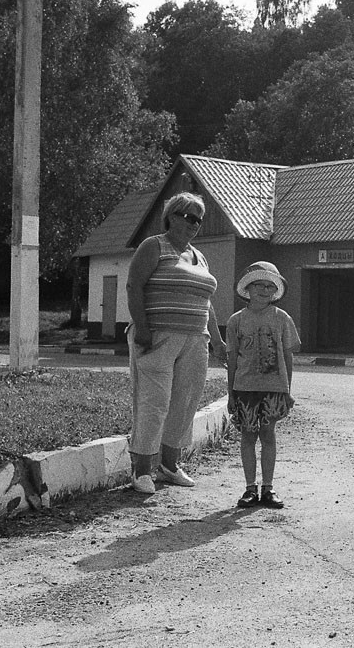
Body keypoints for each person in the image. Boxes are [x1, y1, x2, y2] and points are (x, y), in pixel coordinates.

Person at [125, 192, 226, 494]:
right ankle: (141, 469)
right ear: (170, 215)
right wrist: (142, 328)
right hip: (158, 336)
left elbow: (206, 301)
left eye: (198, 219)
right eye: (187, 215)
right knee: (153, 403)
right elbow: (134, 285)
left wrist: (218, 342)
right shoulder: (153, 246)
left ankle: (170, 465)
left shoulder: (200, 256)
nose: (192, 223)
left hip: (196, 340)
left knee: (184, 404)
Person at [225, 261, 301, 509]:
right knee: (248, 435)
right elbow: (232, 358)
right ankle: (249, 489)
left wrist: (287, 390)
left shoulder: (282, 319)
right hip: (245, 387)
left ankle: (268, 488)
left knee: (268, 434)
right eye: (259, 284)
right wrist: (231, 393)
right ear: (248, 287)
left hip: (274, 387)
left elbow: (288, 356)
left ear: (275, 291)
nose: (264, 290)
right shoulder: (237, 320)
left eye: (270, 286)